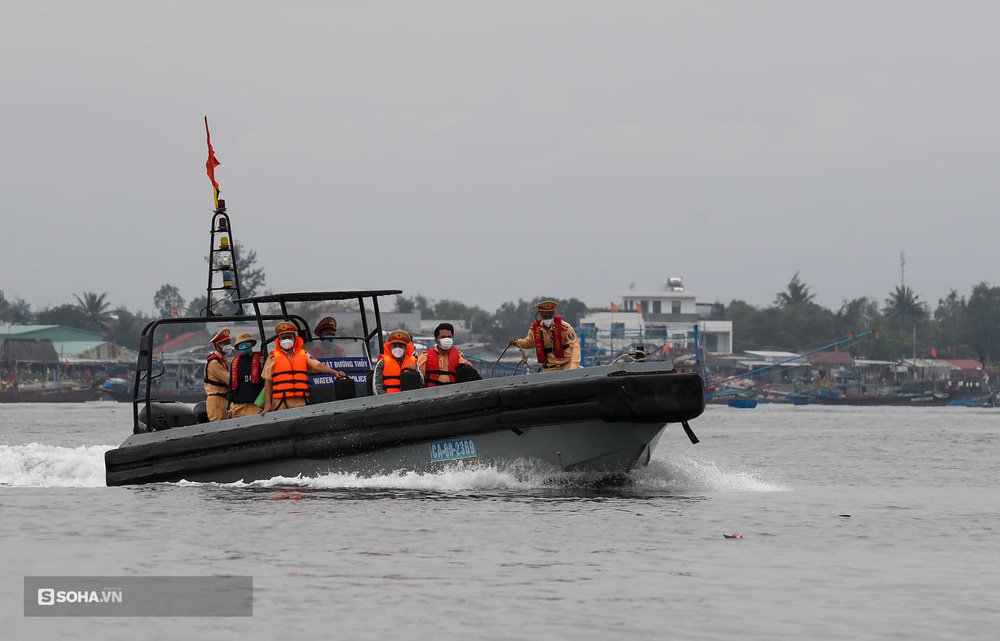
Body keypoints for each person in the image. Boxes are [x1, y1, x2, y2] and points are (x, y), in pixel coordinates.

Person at [261, 321, 347, 414]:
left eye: (289, 337)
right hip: (280, 403)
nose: (286, 340)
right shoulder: (273, 357)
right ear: (279, 340)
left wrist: (334, 372)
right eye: (283, 338)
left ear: (294, 338)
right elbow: (268, 383)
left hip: (300, 402)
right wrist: (268, 404)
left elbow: (317, 366)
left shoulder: (303, 354)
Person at [508, 300, 581, 371]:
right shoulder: (534, 329)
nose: (547, 318)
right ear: (539, 315)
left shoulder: (565, 327)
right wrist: (517, 342)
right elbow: (529, 343)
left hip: (566, 365)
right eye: (545, 316)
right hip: (549, 368)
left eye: (550, 315)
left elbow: (575, 346)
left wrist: (573, 366)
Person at [417, 322, 476, 387]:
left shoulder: (458, 355)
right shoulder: (425, 355)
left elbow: (464, 366)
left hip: (452, 391)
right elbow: (419, 377)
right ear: (436, 340)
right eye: (443, 337)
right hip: (431, 392)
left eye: (449, 337)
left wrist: (468, 366)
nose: (447, 339)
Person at [227, 332, 266, 418]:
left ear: (251, 344)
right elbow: (231, 385)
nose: (244, 346)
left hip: (256, 404)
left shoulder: (261, 359)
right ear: (237, 347)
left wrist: (263, 364)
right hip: (238, 405)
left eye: (246, 344)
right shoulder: (235, 362)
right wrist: (228, 407)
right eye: (241, 345)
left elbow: (267, 379)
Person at [373, 329, 422, 394]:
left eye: (400, 346)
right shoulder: (382, 362)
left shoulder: (413, 361)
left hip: (409, 399)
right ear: (390, 347)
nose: (397, 348)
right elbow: (377, 386)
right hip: (389, 400)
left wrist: (415, 371)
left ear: (405, 348)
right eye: (394, 346)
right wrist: (384, 400)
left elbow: (422, 382)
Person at [204, 327, 232, 421]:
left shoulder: (222, 360)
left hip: (223, 399)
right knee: (219, 426)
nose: (228, 345)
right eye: (225, 343)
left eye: (229, 343)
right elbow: (229, 380)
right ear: (218, 345)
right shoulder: (214, 363)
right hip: (216, 400)